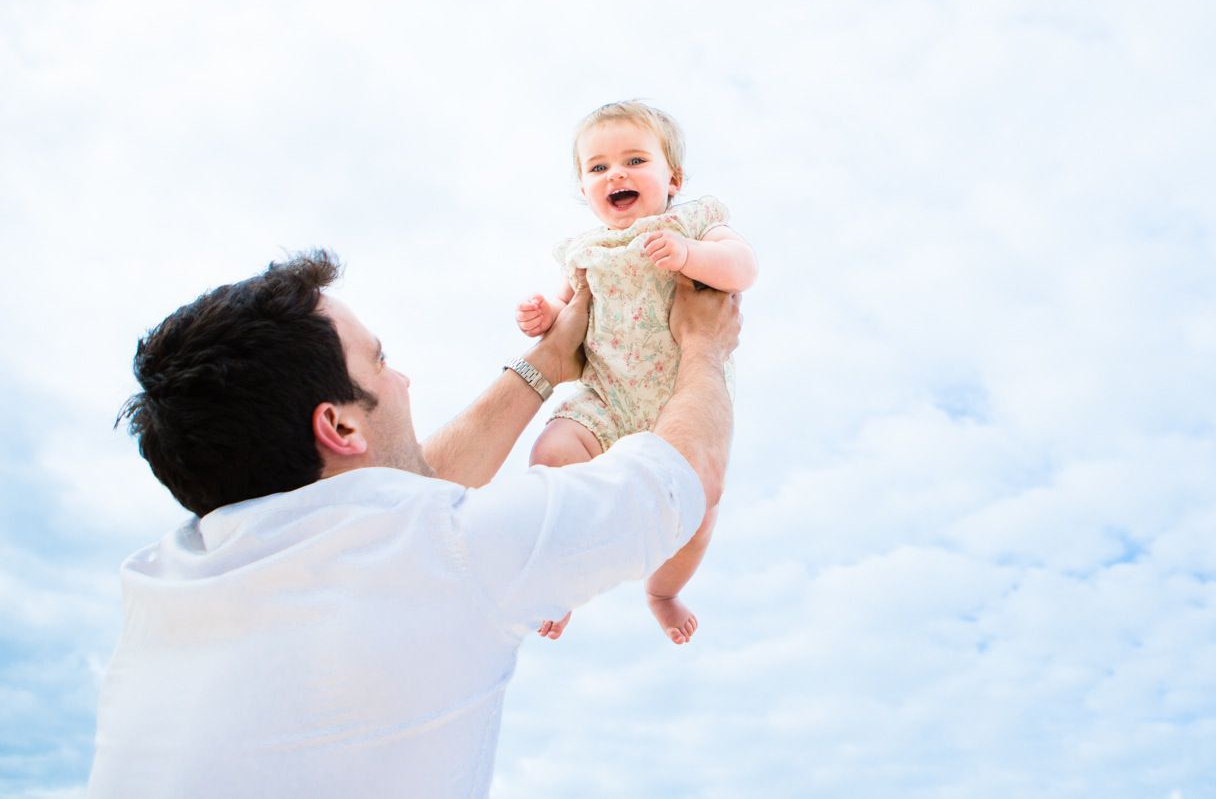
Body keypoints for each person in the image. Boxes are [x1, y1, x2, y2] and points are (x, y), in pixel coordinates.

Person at [88, 248, 740, 797]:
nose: (402, 379)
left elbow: (396, 506)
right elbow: (685, 472)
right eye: (379, 360)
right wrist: (703, 345)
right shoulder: (446, 551)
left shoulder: (157, 584)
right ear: (339, 424)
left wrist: (547, 364)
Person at [515, 101, 758, 643]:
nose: (615, 174)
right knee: (550, 457)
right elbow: (567, 312)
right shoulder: (585, 251)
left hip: (680, 398)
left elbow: (744, 268)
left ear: (672, 178)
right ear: (584, 189)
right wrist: (544, 316)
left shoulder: (693, 223)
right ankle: (561, 579)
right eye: (597, 168)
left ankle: (663, 592)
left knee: (697, 509)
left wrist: (689, 254)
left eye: (634, 160)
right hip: (605, 397)